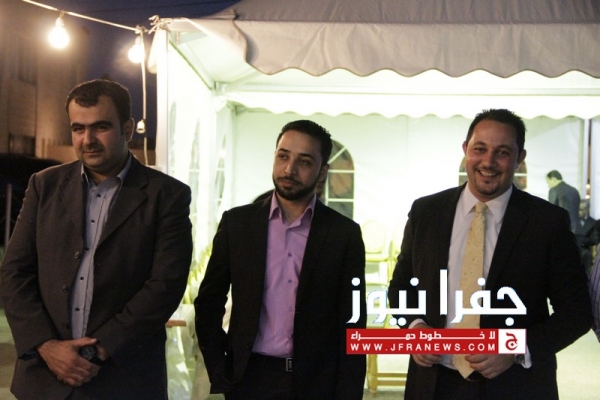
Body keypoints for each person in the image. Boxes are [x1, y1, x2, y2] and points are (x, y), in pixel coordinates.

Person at [0, 79, 193, 399]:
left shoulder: (167, 195)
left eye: (100, 127)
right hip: (44, 380)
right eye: (78, 128)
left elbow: (165, 285)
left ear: (127, 129)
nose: (87, 140)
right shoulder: (44, 186)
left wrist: (96, 351)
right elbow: (14, 272)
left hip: (123, 379)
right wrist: (47, 347)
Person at [388, 109, 592, 400]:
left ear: (520, 158)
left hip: (516, 386)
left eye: (502, 153)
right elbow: (401, 287)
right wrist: (415, 327)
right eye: (480, 149)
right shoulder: (426, 212)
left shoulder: (547, 222)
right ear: (465, 149)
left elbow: (576, 312)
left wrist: (515, 348)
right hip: (433, 384)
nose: (488, 162)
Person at [195, 119, 366, 399]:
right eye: (283, 156)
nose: (289, 169)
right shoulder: (238, 224)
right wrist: (220, 368)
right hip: (248, 381)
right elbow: (209, 302)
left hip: (316, 384)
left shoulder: (343, 234)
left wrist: (348, 391)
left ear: (322, 171)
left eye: (304, 162)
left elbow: (353, 320)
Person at [575, 199, 599, 275]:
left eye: (581, 210)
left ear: (587, 210)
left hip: (585, 249)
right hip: (573, 248)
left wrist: (582, 241)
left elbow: (594, 239)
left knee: (586, 255)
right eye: (578, 209)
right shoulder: (573, 221)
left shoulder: (593, 223)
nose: (579, 212)